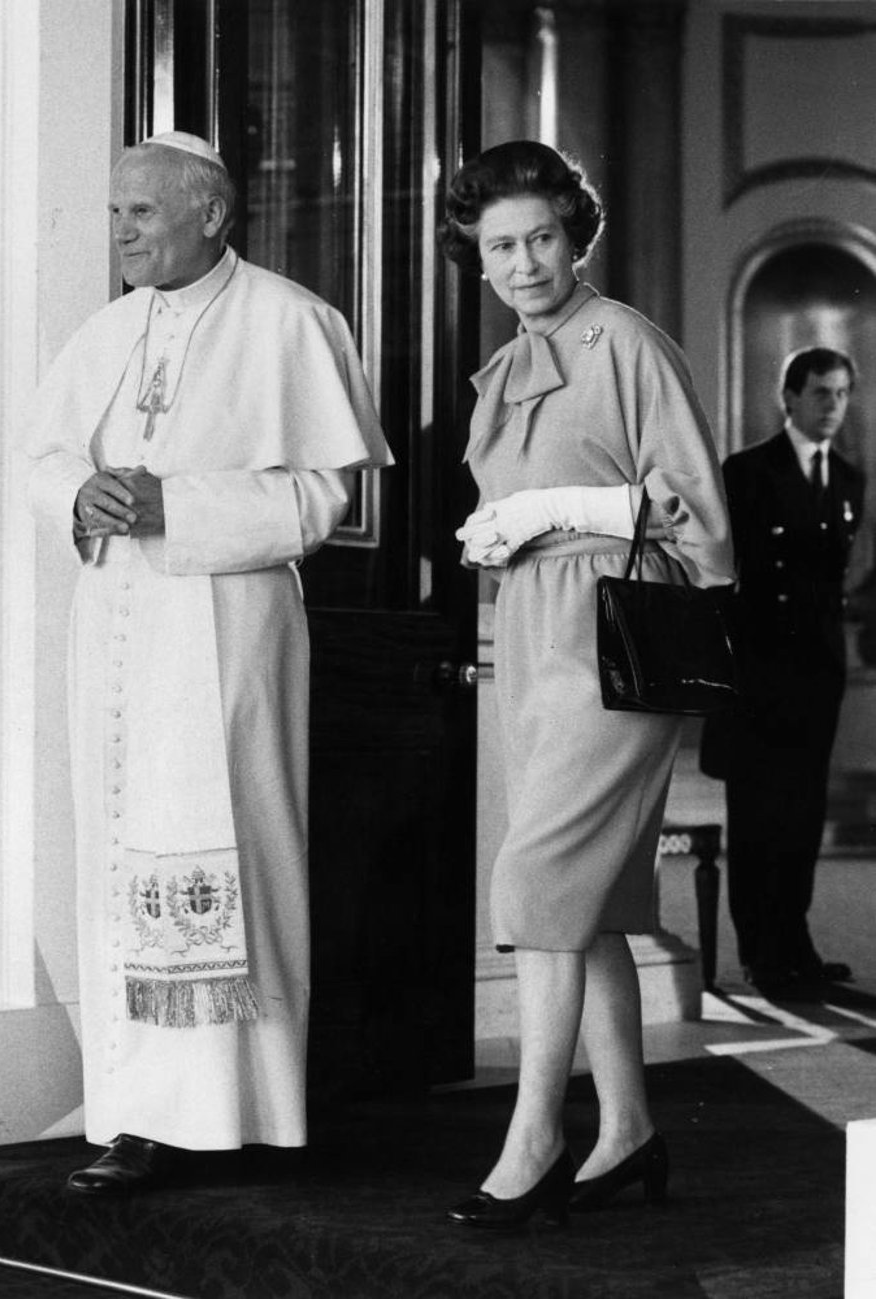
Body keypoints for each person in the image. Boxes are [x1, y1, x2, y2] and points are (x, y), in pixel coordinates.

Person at [26, 131, 392, 1194]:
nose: (122, 232)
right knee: (118, 855)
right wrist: (77, 499)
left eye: (140, 211)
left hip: (226, 629)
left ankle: (239, 1108)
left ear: (212, 215)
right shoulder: (106, 332)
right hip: (117, 629)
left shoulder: (291, 321)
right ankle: (134, 1114)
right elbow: (46, 457)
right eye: (113, 214)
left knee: (228, 838)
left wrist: (172, 505)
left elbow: (326, 496)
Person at [439, 140, 733, 1228]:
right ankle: (627, 1130)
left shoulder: (622, 340)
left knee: (536, 881)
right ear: (476, 257)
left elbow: (699, 519)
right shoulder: (515, 358)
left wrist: (562, 509)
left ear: (577, 235)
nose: (523, 263)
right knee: (588, 900)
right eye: (500, 246)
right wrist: (498, 532)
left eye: (542, 238)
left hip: (616, 632)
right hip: (533, 630)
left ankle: (534, 1136)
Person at [700, 347, 864, 994]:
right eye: (821, 393)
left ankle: (797, 945)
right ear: (789, 397)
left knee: (803, 814)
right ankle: (760, 953)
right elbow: (724, 573)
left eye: (843, 393)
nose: (833, 406)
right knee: (758, 814)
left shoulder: (849, 478)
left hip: (817, 673)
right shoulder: (746, 471)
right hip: (760, 671)